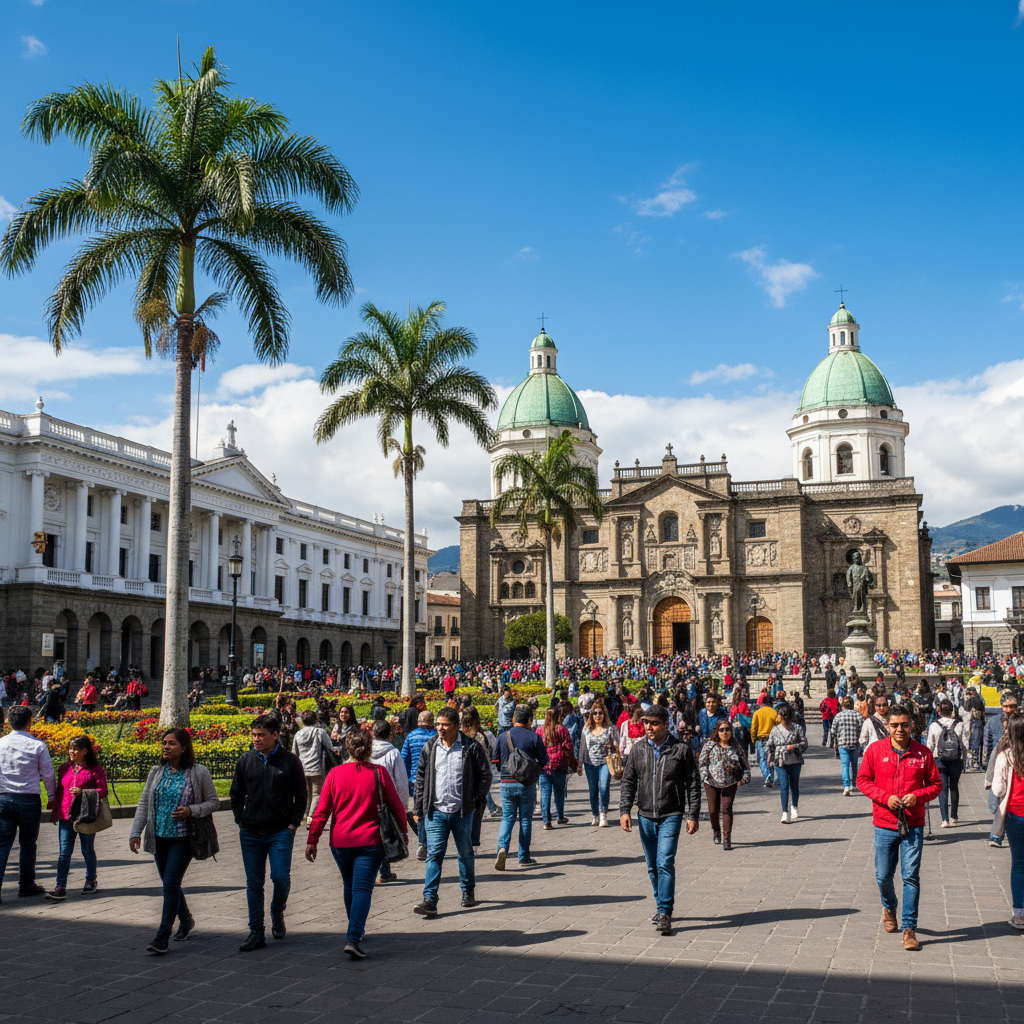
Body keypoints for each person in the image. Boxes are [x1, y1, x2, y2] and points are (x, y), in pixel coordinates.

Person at [306, 728, 408, 958]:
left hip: (341, 842)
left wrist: (313, 839)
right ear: (370, 748)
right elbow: (397, 807)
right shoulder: (379, 773)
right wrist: (403, 831)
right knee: (363, 887)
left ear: (346, 749)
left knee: (349, 884)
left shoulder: (335, 774)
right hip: (371, 841)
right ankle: (353, 936)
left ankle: (355, 929)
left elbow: (322, 811)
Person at [857, 705, 942, 952]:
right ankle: (889, 905)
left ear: (911, 725)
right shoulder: (875, 751)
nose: (900, 729)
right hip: (885, 823)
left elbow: (936, 784)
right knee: (883, 875)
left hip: (913, 824)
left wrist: (919, 795)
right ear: (888, 726)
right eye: (895, 725)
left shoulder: (922, 753)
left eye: (904, 724)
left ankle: (909, 929)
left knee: (910, 876)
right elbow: (863, 780)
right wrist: (884, 797)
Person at [129, 728, 219, 954]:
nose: (165, 747)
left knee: (169, 885)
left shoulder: (198, 772)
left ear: (184, 747)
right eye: (164, 742)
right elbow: (143, 804)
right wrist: (135, 832)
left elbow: (213, 803)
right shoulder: (156, 771)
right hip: (158, 837)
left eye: (171, 743)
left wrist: (192, 810)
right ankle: (186, 920)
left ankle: (162, 936)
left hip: (183, 837)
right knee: (171, 885)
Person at [619, 705, 701, 934]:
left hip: (671, 813)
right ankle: (660, 903)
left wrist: (692, 814)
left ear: (666, 724)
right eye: (646, 723)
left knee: (665, 861)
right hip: (645, 815)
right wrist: (624, 810)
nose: (649, 727)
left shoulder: (681, 750)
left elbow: (693, 783)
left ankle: (665, 910)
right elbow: (628, 781)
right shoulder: (638, 749)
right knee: (653, 865)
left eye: (654, 723)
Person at [229, 714, 306, 952]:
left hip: (280, 831)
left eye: (261, 735)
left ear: (275, 734)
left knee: (281, 877)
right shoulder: (245, 760)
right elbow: (236, 794)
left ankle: (277, 908)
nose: (256, 739)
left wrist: (293, 823)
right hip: (251, 831)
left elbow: (301, 795)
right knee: (254, 883)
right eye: (253, 734)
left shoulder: (290, 761)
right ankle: (256, 931)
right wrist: (240, 819)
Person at [412, 706, 491, 915]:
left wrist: (476, 799)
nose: (440, 728)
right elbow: (420, 778)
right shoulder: (430, 747)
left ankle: (468, 891)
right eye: (438, 724)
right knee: (434, 855)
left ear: (457, 725)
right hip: (436, 811)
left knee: (465, 853)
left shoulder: (470, 747)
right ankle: (429, 899)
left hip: (462, 811)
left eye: (445, 724)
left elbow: (485, 774)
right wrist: (418, 808)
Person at [0, 705, 56, 899]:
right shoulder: (37, 745)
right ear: (30, 722)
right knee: (28, 843)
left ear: (9, 722)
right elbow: (48, 774)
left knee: (2, 844)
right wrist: (52, 798)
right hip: (29, 798)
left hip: (3, 797)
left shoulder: (1, 744)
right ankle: (26, 884)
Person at [46, 735, 108, 900]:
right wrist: (55, 812)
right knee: (64, 853)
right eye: (70, 748)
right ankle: (60, 886)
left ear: (85, 751)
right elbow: (60, 790)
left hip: (86, 816)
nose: (71, 752)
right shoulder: (64, 768)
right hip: (66, 817)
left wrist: (83, 792)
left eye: (75, 749)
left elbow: (103, 791)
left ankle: (91, 880)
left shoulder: (96, 770)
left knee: (87, 850)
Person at [494, 704, 548, 868]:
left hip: (506, 783)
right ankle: (523, 856)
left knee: (508, 818)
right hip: (526, 783)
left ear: (514, 718)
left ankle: (502, 848)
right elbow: (544, 761)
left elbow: (495, 760)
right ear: (529, 719)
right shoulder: (533, 737)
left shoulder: (503, 736)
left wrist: (506, 771)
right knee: (526, 819)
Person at [989, 715, 1024, 929]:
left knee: (1019, 864)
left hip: (1016, 815)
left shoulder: (1007, 756)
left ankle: (1019, 914)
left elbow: (999, 790)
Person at [698, 718, 749, 850]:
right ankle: (716, 830)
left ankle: (727, 838)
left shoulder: (735, 746)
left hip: (730, 781)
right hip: (711, 781)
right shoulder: (710, 744)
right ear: (717, 731)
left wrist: (746, 776)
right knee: (713, 810)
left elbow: (744, 763)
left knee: (726, 809)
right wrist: (704, 775)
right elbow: (702, 762)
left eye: (727, 729)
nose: (725, 732)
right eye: (722, 730)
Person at [370, 718, 409, 882]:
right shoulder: (393, 753)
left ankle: (379, 872)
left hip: (369, 798)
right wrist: (403, 804)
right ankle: (384, 872)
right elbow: (400, 780)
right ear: (390, 734)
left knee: (372, 836)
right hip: (387, 800)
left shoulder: (365, 751)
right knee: (384, 835)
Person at [293, 710, 340, 827]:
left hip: (302, 768)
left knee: (306, 793)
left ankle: (305, 814)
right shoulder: (320, 732)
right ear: (315, 720)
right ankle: (311, 817)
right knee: (316, 793)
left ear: (302, 721)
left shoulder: (298, 734)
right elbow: (330, 746)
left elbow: (294, 753)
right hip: (317, 767)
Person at [926, 699, 967, 827]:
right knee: (954, 786)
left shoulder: (934, 725)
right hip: (956, 759)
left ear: (939, 711)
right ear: (952, 710)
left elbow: (929, 745)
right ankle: (954, 817)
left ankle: (945, 819)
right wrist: (963, 759)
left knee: (942, 788)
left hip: (939, 759)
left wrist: (928, 761)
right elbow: (965, 744)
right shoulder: (959, 725)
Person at [401, 710, 435, 860]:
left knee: (420, 812)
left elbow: (404, 760)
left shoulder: (411, 736)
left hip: (416, 781)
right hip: (436, 780)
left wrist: (406, 779)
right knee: (434, 812)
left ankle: (423, 843)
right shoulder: (437, 736)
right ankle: (434, 842)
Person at [578, 700, 618, 826]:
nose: (597, 715)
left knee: (604, 787)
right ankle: (595, 814)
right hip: (590, 763)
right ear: (591, 715)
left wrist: (614, 748)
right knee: (593, 790)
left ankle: (603, 814)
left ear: (604, 714)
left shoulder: (610, 728)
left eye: (600, 713)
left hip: (606, 761)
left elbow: (617, 744)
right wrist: (579, 764)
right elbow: (582, 747)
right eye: (595, 713)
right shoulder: (587, 729)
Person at [768, 704, 808, 824]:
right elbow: (769, 745)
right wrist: (769, 759)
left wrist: (794, 746)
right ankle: (785, 812)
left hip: (795, 760)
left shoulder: (797, 728)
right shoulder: (775, 730)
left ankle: (794, 806)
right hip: (780, 761)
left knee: (794, 784)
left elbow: (804, 743)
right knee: (784, 785)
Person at [537, 707, 575, 828]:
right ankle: (560, 816)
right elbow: (568, 747)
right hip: (559, 765)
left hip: (544, 766)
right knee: (559, 792)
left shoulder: (539, 730)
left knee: (544, 794)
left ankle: (546, 821)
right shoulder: (562, 730)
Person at [830, 696, 864, 795]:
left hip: (843, 744)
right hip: (855, 743)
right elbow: (862, 729)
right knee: (854, 765)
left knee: (845, 765)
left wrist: (836, 738)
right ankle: (853, 784)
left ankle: (846, 786)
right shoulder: (858, 715)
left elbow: (833, 731)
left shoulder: (838, 716)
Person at [750, 697, 779, 788]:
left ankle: (767, 776)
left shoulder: (757, 713)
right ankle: (771, 776)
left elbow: (753, 728)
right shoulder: (774, 712)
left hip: (760, 739)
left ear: (762, 703)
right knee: (771, 759)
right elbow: (778, 725)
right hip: (771, 739)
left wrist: (753, 739)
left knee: (761, 759)